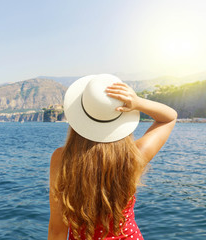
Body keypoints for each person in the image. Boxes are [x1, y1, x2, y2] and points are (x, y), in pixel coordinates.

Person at [48, 74, 177, 240]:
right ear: (121, 119)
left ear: (78, 118)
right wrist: (138, 102)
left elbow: (57, 230)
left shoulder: (62, 160)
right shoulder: (133, 156)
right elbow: (169, 118)